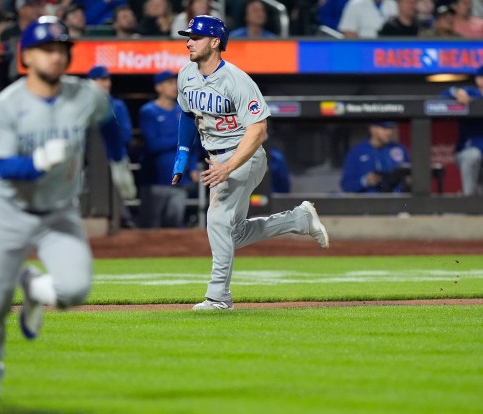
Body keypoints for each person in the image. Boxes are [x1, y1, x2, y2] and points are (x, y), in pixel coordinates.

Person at [0, 16, 126, 403]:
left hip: (59, 212)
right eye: (47, 49)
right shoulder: (7, 105)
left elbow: (109, 122)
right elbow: (3, 166)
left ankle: (35, 290)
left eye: (61, 49)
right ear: (27, 55)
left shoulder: (85, 95)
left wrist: (119, 161)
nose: (56, 57)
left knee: (74, 290)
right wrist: (38, 161)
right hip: (11, 212)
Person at [173, 15, 329, 311]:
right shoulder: (186, 74)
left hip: (243, 154)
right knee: (234, 233)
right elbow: (186, 114)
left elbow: (258, 131)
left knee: (217, 220)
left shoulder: (236, 80)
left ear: (215, 42)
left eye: (196, 37)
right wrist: (181, 156)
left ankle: (218, 297)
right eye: (188, 36)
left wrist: (228, 166)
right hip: (217, 157)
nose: (189, 41)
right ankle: (298, 220)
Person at [138, 70, 200, 228]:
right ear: (159, 87)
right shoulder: (149, 111)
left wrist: (192, 167)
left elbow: (193, 143)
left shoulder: (184, 111)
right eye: (170, 83)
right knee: (150, 227)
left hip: (180, 179)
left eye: (176, 83)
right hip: (155, 180)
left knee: (174, 226)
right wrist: (181, 140)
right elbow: (153, 145)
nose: (175, 87)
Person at [87, 64, 137, 226]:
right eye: (101, 79)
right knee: (97, 197)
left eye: (107, 79)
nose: (106, 83)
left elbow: (126, 134)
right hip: (93, 162)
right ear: (91, 82)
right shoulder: (84, 105)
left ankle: (123, 224)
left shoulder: (117, 105)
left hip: (117, 158)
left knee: (126, 193)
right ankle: (124, 222)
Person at [440, 66, 483, 196]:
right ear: (479, 80)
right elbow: (442, 96)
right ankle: (468, 198)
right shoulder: (470, 92)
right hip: (467, 152)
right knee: (473, 155)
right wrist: (456, 92)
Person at [340, 121, 411, 193]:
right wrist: (365, 181)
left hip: (398, 201)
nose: (389, 132)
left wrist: (408, 180)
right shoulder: (356, 152)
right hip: (369, 201)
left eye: (391, 128)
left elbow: (411, 175)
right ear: (372, 129)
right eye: (384, 128)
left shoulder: (399, 149)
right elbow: (346, 186)